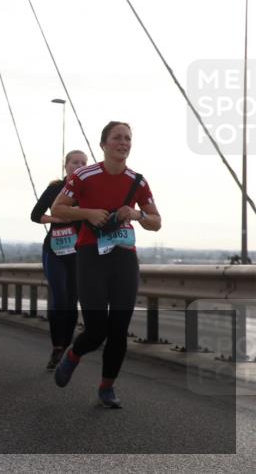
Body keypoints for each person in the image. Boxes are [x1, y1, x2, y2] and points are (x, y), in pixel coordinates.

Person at [51, 122, 161, 408]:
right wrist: (89, 213)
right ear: (103, 144)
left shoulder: (137, 181)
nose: (123, 143)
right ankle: (74, 354)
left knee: (119, 328)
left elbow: (156, 222)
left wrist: (136, 215)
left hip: (124, 258)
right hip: (91, 256)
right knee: (97, 329)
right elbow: (58, 209)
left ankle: (107, 388)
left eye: (127, 138)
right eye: (117, 138)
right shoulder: (85, 176)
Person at [31, 150, 89, 369]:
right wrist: (57, 217)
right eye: (75, 162)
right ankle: (56, 345)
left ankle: (65, 345)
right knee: (59, 297)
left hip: (77, 252)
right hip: (54, 250)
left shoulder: (88, 190)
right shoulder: (56, 188)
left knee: (71, 300)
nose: (79, 166)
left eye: (83, 163)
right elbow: (35, 214)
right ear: (66, 165)